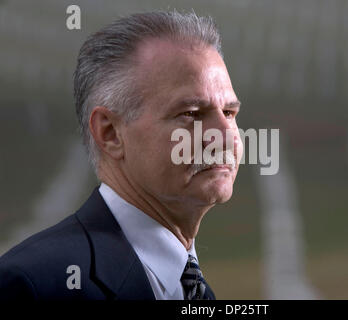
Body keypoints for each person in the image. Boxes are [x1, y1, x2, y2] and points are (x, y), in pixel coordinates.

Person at [0, 10, 242, 300]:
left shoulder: (194, 290)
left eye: (229, 112)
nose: (226, 135)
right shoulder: (32, 286)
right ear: (110, 133)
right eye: (190, 114)